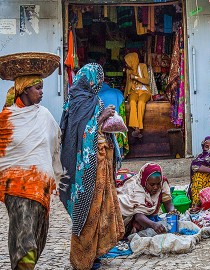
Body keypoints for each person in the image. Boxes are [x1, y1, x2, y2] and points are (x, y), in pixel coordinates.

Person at [59, 63, 125, 270]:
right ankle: (81, 259)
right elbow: (77, 134)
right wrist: (101, 117)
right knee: (86, 211)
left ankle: (96, 252)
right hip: (85, 169)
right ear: (90, 80)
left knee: (101, 208)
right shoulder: (77, 101)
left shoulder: (94, 99)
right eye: (98, 78)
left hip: (101, 163)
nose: (99, 82)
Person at [0, 72, 62, 269]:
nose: (42, 92)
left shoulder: (44, 115)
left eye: (42, 87)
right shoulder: (6, 118)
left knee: (37, 236)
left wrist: (57, 175)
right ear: (25, 90)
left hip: (40, 187)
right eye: (38, 88)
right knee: (23, 238)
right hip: (16, 188)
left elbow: (55, 143)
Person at [117, 163, 177, 235]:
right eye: (152, 184)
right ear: (145, 182)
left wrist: (172, 212)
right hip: (134, 216)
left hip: (150, 217)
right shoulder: (137, 187)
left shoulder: (162, 182)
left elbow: (168, 203)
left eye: (158, 184)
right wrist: (153, 225)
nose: (156, 187)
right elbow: (138, 215)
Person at [124, 52, 151, 139]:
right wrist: (124, 97)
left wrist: (135, 77)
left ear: (132, 61)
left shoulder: (143, 66)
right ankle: (136, 127)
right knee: (132, 102)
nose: (126, 64)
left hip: (144, 92)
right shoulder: (128, 71)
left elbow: (147, 81)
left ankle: (138, 128)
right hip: (134, 92)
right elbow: (128, 85)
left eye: (127, 62)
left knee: (141, 102)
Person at [98, 81, 129, 157]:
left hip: (108, 109)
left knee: (110, 129)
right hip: (120, 103)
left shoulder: (99, 93)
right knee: (120, 127)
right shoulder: (116, 91)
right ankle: (121, 152)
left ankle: (114, 154)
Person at [188, 136, 210, 208]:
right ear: (203, 147)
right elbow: (195, 167)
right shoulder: (199, 158)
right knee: (198, 176)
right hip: (201, 183)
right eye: (206, 147)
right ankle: (197, 204)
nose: (209, 149)